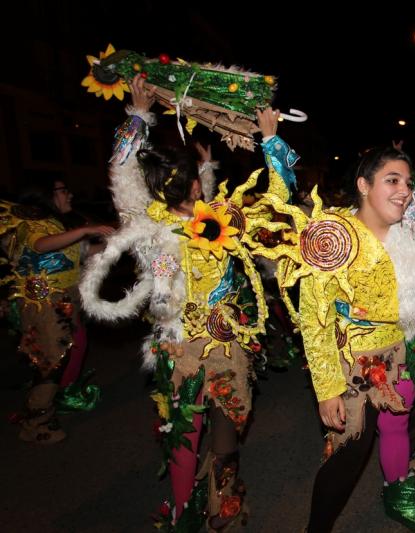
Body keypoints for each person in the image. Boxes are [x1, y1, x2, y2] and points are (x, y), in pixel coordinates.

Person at [80, 75, 295, 530]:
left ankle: (183, 510)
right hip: (223, 340)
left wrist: (136, 114)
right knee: (225, 422)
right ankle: (223, 505)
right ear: (195, 189)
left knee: (182, 427)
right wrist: (272, 140)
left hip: (174, 342)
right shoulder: (223, 222)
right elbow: (279, 200)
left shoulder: (145, 225)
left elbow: (121, 172)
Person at [262, 146, 415, 532]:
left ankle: (396, 491)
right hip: (349, 363)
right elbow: (316, 322)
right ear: (364, 185)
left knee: (399, 424)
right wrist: (327, 388)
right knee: (349, 451)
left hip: (400, 354)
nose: (403, 190)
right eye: (391, 180)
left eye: (407, 182)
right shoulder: (334, 238)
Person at [9, 177, 114, 443]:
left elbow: (84, 252)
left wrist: (118, 243)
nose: (69, 195)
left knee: (64, 354)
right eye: (63, 190)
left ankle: (51, 405)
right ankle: (35, 423)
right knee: (50, 362)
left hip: (66, 300)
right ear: (45, 194)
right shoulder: (29, 225)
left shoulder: (56, 224)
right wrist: (85, 230)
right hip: (43, 305)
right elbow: (41, 245)